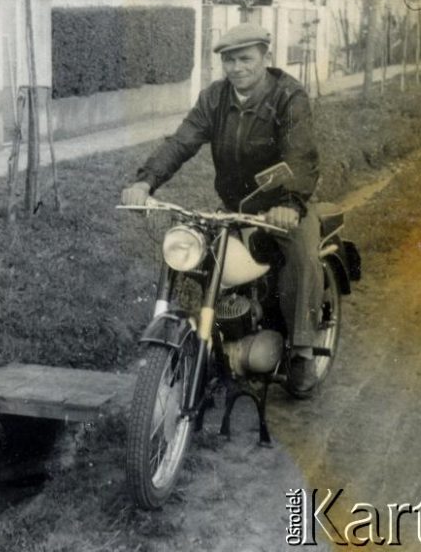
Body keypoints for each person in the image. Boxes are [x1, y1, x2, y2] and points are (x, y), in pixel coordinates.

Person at [122, 22, 324, 385]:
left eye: (245, 58)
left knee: (303, 254)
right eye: (229, 61)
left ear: (265, 56)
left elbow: (301, 155)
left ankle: (303, 352)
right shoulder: (215, 97)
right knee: (206, 257)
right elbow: (181, 142)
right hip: (238, 205)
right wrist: (145, 181)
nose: (237, 68)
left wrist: (291, 203)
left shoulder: (288, 96)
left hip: (284, 207)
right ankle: (218, 339)